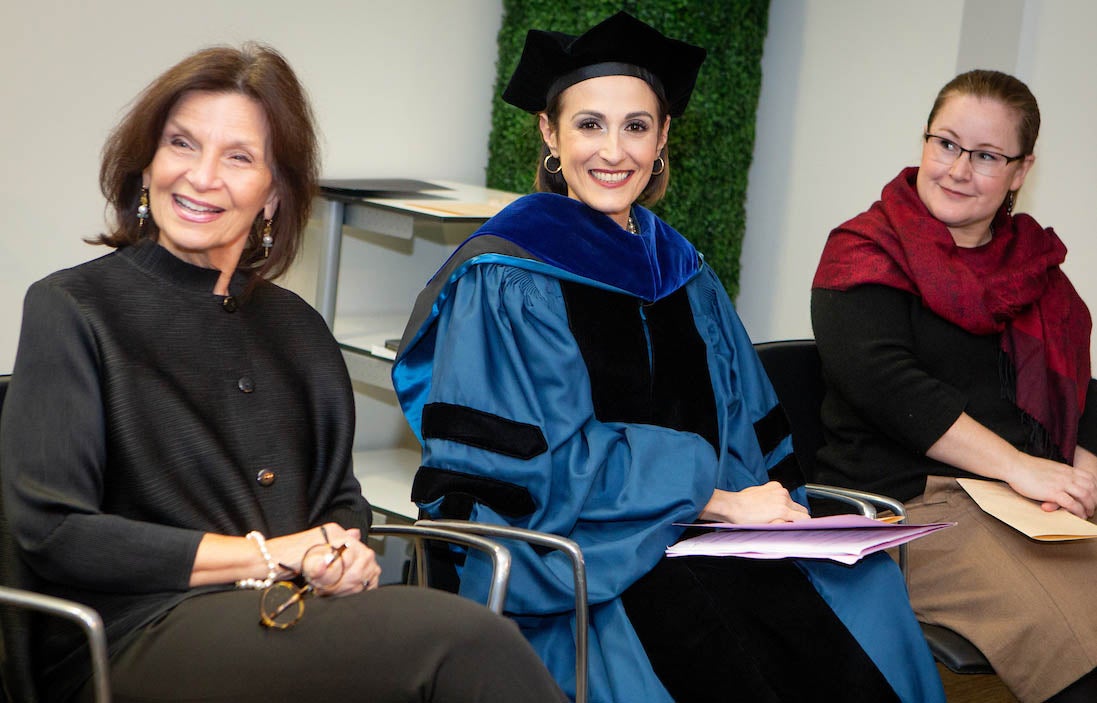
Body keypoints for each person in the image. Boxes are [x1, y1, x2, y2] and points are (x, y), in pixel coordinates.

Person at [392, 12, 944, 703]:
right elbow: (533, 472)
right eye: (588, 124)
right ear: (549, 133)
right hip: (577, 555)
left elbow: (746, 427)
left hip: (702, 533)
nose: (612, 151)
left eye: (635, 126)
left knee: (861, 585)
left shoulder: (683, 271)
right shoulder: (506, 277)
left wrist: (769, 510)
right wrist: (712, 501)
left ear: (661, 139)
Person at [0, 43, 567, 703]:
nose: (201, 176)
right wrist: (272, 554)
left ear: (273, 195)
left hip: (286, 615)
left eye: (237, 157)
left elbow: (339, 498)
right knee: (459, 641)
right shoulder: (72, 307)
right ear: (147, 163)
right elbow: (56, 531)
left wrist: (338, 547)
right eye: (181, 144)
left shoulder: (298, 327)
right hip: (131, 635)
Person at [812, 69, 1097, 703]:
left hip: (1025, 502)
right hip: (903, 513)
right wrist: (1022, 468)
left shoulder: (1036, 273)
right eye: (946, 143)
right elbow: (892, 389)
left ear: (1021, 171)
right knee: (1082, 639)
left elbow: (1082, 392)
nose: (958, 170)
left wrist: (1081, 473)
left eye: (987, 156)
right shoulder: (863, 254)